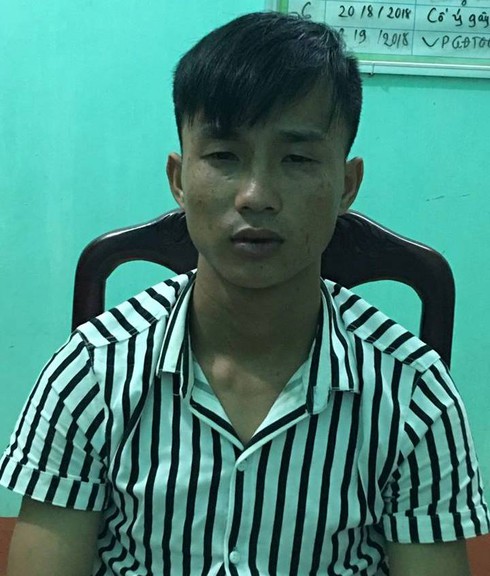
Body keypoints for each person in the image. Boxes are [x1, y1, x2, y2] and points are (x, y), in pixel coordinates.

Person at [1, 11, 488, 576]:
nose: (256, 195)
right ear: (178, 179)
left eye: (297, 159)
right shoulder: (91, 372)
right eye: (224, 157)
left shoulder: (415, 394)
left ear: (347, 185)